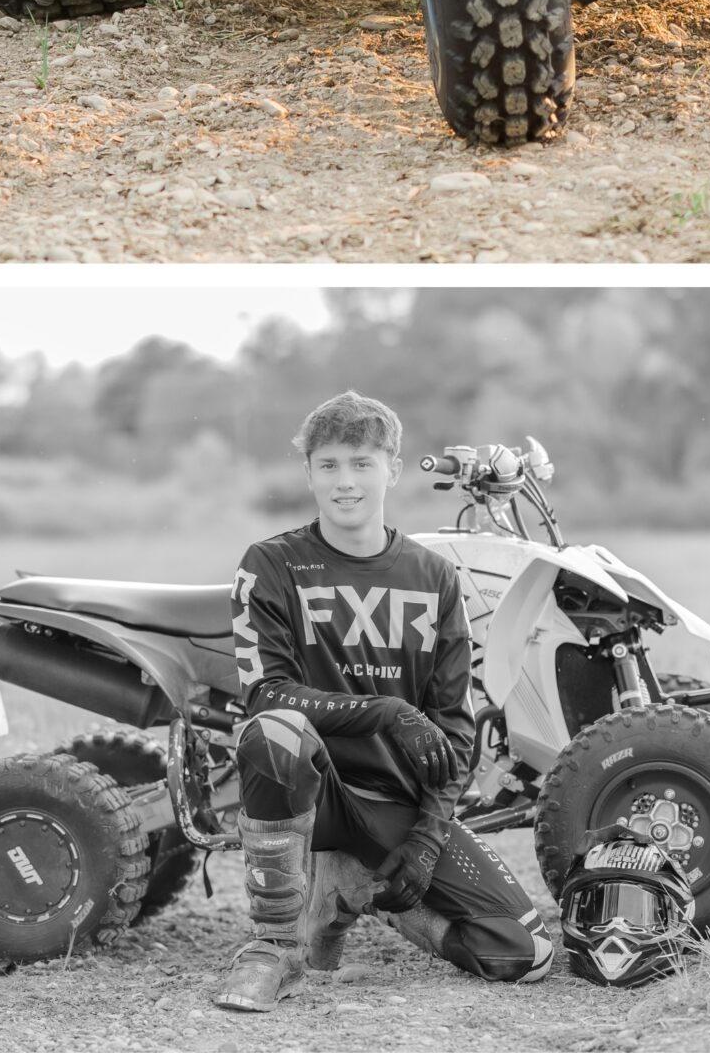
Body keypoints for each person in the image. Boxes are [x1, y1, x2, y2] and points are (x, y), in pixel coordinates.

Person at [216, 388, 552, 1010]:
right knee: (274, 733)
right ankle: (275, 948)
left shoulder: (433, 578)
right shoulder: (270, 564)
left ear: (393, 471)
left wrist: (425, 840)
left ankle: (352, 892)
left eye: (362, 464)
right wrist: (390, 712)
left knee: (520, 953)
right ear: (310, 473)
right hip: (307, 792)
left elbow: (455, 733)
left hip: (389, 802)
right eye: (330, 465)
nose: (346, 483)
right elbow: (267, 695)